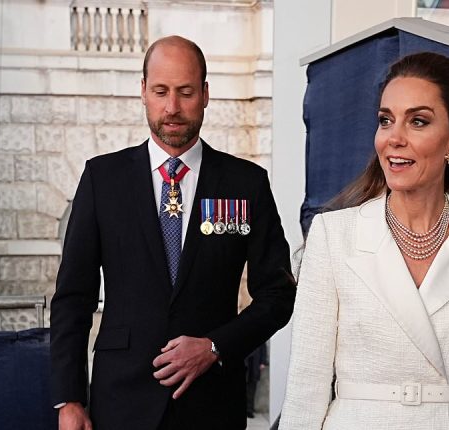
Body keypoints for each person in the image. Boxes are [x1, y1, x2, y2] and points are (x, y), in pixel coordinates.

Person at [50, 35, 296, 430]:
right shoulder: (102, 179)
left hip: (211, 404)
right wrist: (70, 399)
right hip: (120, 404)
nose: (173, 108)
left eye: (185, 92)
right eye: (161, 91)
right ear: (143, 92)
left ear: (205, 94)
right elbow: (72, 299)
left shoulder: (246, 183)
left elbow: (280, 294)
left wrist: (216, 347)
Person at [281, 52, 449, 429]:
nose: (394, 138)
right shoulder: (333, 235)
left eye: (418, 121)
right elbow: (307, 381)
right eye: (386, 120)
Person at [244, 342, 268, 418]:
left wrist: (263, 362)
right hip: (244, 362)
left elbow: (263, 348)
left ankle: (249, 410)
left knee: (252, 387)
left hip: (255, 362)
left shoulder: (258, 332)